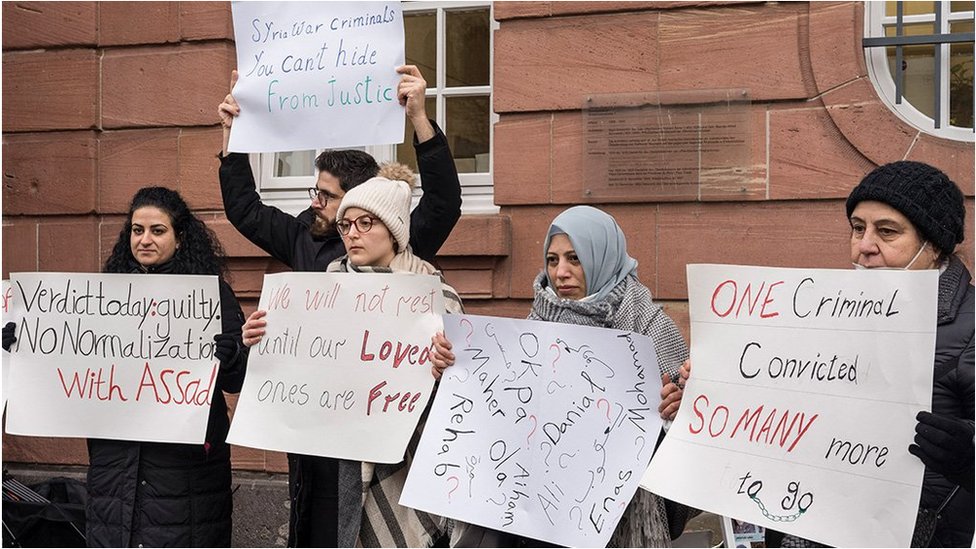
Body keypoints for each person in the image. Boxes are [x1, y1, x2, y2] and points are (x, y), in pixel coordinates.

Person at [663, 161, 974, 548]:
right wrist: (708, 403)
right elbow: (774, 426)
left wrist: (968, 458)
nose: (865, 246)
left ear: (934, 246)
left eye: (887, 232)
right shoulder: (820, 317)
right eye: (858, 228)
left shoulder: (969, 328)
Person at [217, 64, 462, 547]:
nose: (317, 206)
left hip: (384, 451)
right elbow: (244, 209)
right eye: (331, 208)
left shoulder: (409, 261)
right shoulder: (304, 241)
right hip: (317, 444)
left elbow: (445, 200)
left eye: (327, 198)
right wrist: (233, 136)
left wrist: (420, 119)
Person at [432, 205, 694, 547]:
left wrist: (680, 406)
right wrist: (452, 371)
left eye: (575, 258)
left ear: (604, 256)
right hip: (535, 518)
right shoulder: (533, 328)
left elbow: (689, 434)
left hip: (612, 518)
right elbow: (496, 410)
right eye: (553, 260)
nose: (561, 273)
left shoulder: (650, 327)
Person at [0, 187, 249, 547]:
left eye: (157, 230)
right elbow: (66, 362)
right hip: (115, 468)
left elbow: (236, 381)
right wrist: (21, 345)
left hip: (183, 473)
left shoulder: (211, 296)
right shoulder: (100, 297)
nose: (144, 239)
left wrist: (231, 355)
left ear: (180, 239)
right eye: (137, 230)